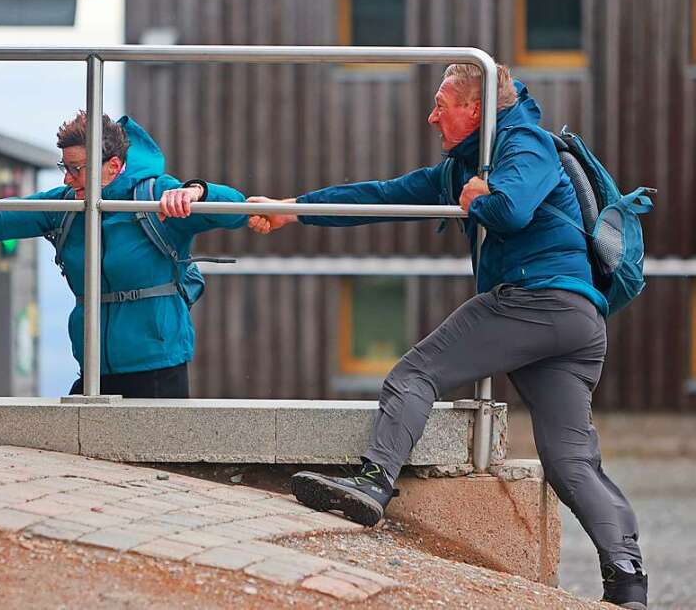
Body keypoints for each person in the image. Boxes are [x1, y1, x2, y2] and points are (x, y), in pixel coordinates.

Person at [247, 64, 648, 609]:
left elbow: (511, 208)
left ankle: (372, 483)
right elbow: (381, 196)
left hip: (539, 299)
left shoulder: (526, 142)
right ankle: (627, 584)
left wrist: (481, 195)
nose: (431, 115)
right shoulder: (464, 164)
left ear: (475, 109)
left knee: (416, 372)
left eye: (442, 104)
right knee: (569, 462)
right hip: (571, 321)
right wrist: (291, 211)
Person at [0, 111, 246, 398]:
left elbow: (236, 212)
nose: (67, 178)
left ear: (113, 166)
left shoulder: (155, 195)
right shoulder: (67, 205)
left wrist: (198, 191)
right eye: (65, 167)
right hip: (94, 365)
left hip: (158, 367)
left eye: (77, 169)